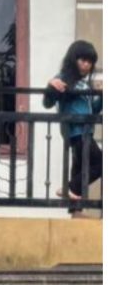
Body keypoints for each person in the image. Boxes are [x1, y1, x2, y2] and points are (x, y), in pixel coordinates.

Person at [44, 39, 103, 210]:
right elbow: (48, 102)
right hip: (77, 132)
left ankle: (74, 209)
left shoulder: (84, 83)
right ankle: (69, 188)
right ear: (73, 59)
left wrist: (101, 95)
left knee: (80, 170)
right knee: (101, 164)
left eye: (90, 62)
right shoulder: (63, 77)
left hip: (85, 131)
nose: (86, 65)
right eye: (82, 60)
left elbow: (94, 111)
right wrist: (50, 86)